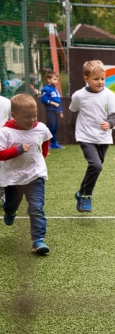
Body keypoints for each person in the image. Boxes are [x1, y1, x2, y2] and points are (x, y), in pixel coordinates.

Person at [0, 94, 53, 254]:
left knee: (36, 207)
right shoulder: (6, 132)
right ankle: (10, 210)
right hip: (14, 178)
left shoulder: (41, 128)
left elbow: (45, 140)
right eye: (27, 117)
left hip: (35, 175)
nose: (32, 120)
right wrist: (17, 150)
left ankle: (38, 240)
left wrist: (42, 156)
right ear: (14, 115)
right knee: (11, 205)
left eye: (34, 116)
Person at [69, 60, 115, 213]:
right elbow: (73, 112)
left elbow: (114, 115)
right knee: (96, 165)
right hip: (85, 136)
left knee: (96, 167)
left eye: (102, 79)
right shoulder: (78, 95)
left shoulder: (109, 95)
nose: (100, 82)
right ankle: (86, 196)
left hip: (103, 137)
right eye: (96, 79)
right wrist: (77, 130)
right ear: (86, 79)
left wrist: (110, 124)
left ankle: (80, 192)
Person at [40, 71, 64, 149]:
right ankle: (47, 143)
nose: (56, 81)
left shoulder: (55, 90)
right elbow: (43, 99)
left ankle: (54, 143)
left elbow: (58, 101)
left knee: (55, 127)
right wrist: (52, 103)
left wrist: (60, 111)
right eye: (54, 79)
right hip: (50, 110)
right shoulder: (46, 89)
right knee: (51, 126)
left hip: (56, 111)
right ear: (48, 79)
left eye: (57, 79)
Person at [0, 94, 11, 202]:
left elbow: (13, 120)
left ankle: (4, 195)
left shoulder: (7, 102)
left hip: (3, 140)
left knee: (3, 168)